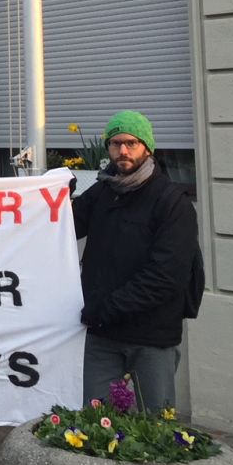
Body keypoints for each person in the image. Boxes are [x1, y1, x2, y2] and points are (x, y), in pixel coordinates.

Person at [74, 111, 200, 411]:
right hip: (102, 335)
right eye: (115, 143)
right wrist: (48, 198)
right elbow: (62, 228)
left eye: (131, 142)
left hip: (151, 336)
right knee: (96, 422)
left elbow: (166, 275)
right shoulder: (103, 191)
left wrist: (106, 309)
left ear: (148, 147)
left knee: (154, 427)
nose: (123, 151)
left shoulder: (171, 201)